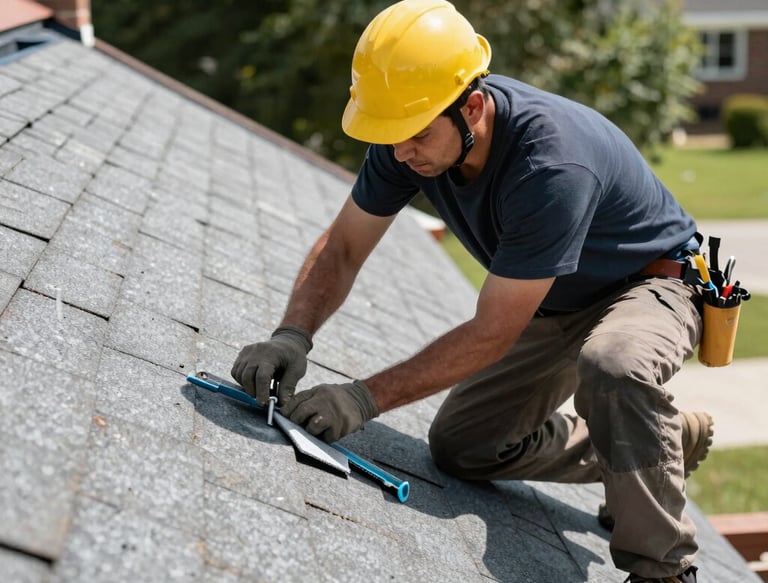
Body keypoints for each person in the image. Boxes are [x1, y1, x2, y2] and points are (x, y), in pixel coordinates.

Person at [231, 1, 713, 581]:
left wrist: (361, 398)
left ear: (474, 107)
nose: (400, 151)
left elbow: (491, 333)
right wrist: (292, 336)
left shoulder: (550, 166)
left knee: (613, 364)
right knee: (464, 448)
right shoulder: (409, 136)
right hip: (555, 295)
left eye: (414, 134)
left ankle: (663, 568)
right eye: (390, 134)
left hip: (652, 282)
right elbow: (344, 247)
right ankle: (668, 438)